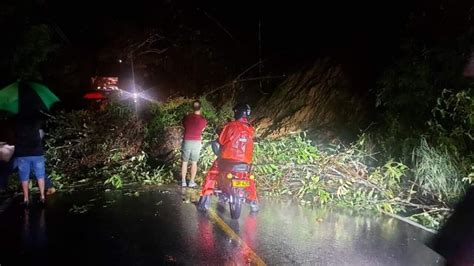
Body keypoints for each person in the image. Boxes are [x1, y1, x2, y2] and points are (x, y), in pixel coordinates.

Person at [200, 103, 258, 211]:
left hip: (228, 160)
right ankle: (254, 203)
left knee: (212, 174)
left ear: (237, 112)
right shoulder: (251, 129)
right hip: (246, 162)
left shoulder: (231, 126)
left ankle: (204, 202)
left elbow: (221, 140)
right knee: (249, 178)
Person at [181, 100, 207, 187]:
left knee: (185, 162)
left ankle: (183, 182)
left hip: (187, 140)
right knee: (194, 162)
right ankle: (191, 182)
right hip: (196, 141)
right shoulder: (203, 120)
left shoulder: (187, 117)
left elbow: (184, 126)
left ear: (192, 107)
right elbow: (202, 130)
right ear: (201, 108)